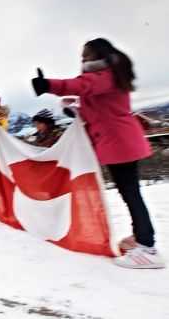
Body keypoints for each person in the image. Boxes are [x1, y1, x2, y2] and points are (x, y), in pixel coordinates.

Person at [32, 38, 164, 269]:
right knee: (129, 192)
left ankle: (148, 247)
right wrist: (77, 111)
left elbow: (82, 86)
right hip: (119, 142)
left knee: (131, 193)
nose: (83, 59)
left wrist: (48, 85)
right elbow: (99, 107)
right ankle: (142, 238)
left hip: (120, 143)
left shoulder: (104, 76)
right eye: (82, 56)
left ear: (99, 55)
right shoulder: (108, 76)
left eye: (87, 55)